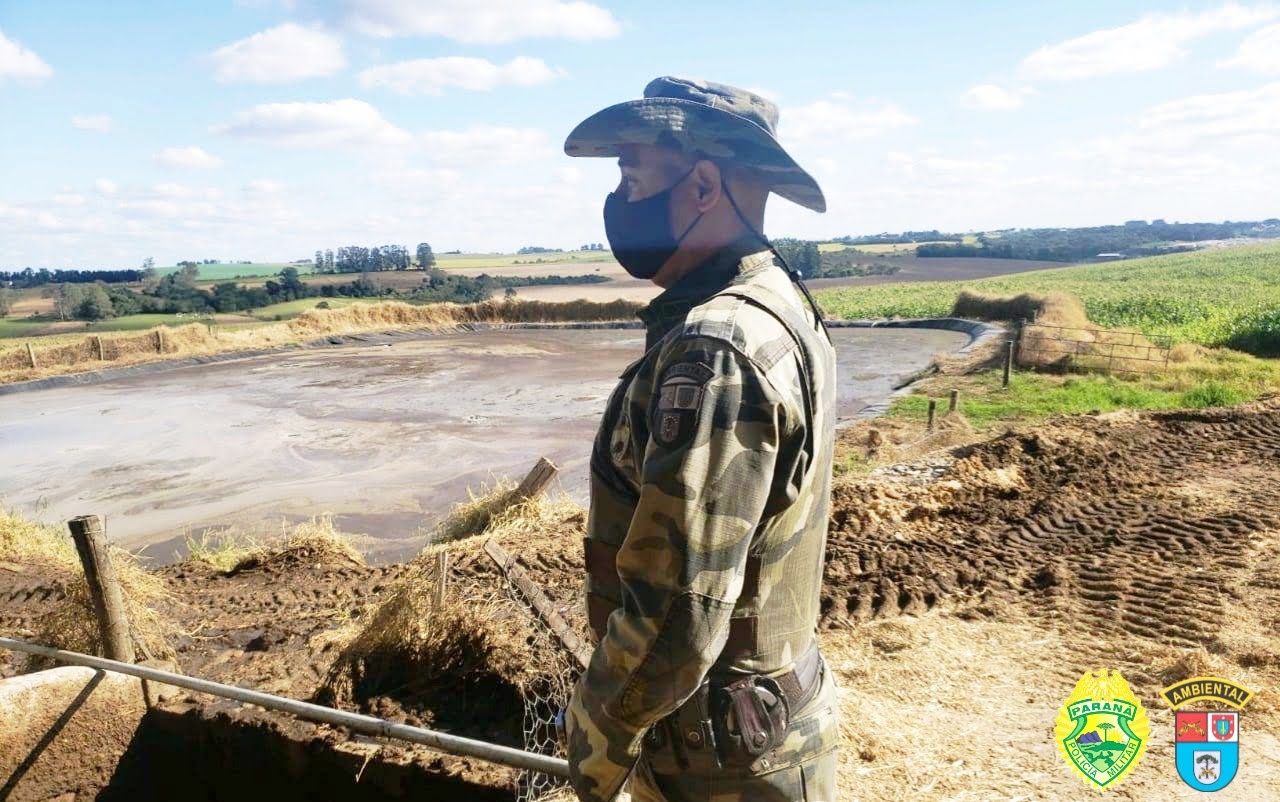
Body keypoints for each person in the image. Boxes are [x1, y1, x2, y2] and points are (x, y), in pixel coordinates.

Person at [559, 76, 840, 802]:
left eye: (632, 178)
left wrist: (594, 747)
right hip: (745, 734)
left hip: (715, 765)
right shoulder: (777, 300)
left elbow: (677, 610)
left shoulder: (716, 346)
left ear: (705, 186)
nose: (620, 201)